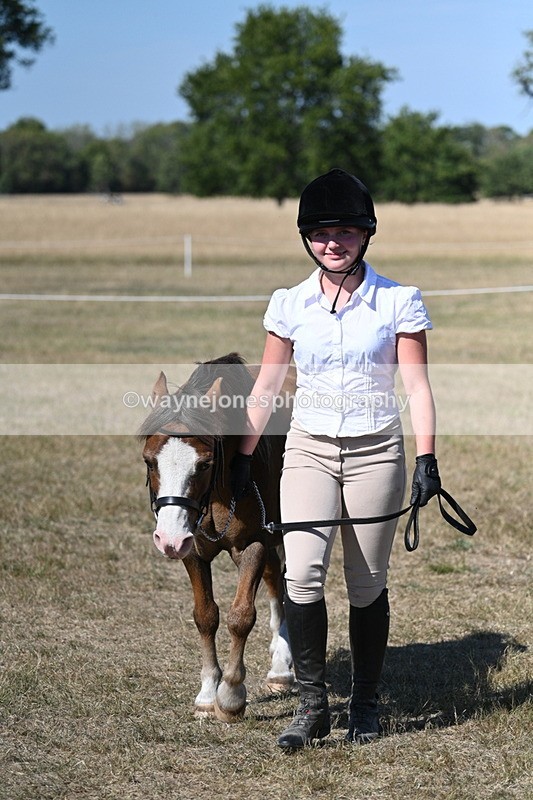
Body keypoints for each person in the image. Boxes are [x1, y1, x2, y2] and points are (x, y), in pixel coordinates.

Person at [230, 168, 441, 749]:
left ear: (366, 234)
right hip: (309, 451)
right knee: (301, 574)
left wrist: (426, 459)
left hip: (377, 452)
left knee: (367, 583)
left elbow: (417, 387)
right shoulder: (289, 303)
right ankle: (312, 705)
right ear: (306, 238)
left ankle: (365, 705)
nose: (332, 243)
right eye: (321, 233)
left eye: (345, 231)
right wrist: (243, 457)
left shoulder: (398, 300)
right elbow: (266, 385)